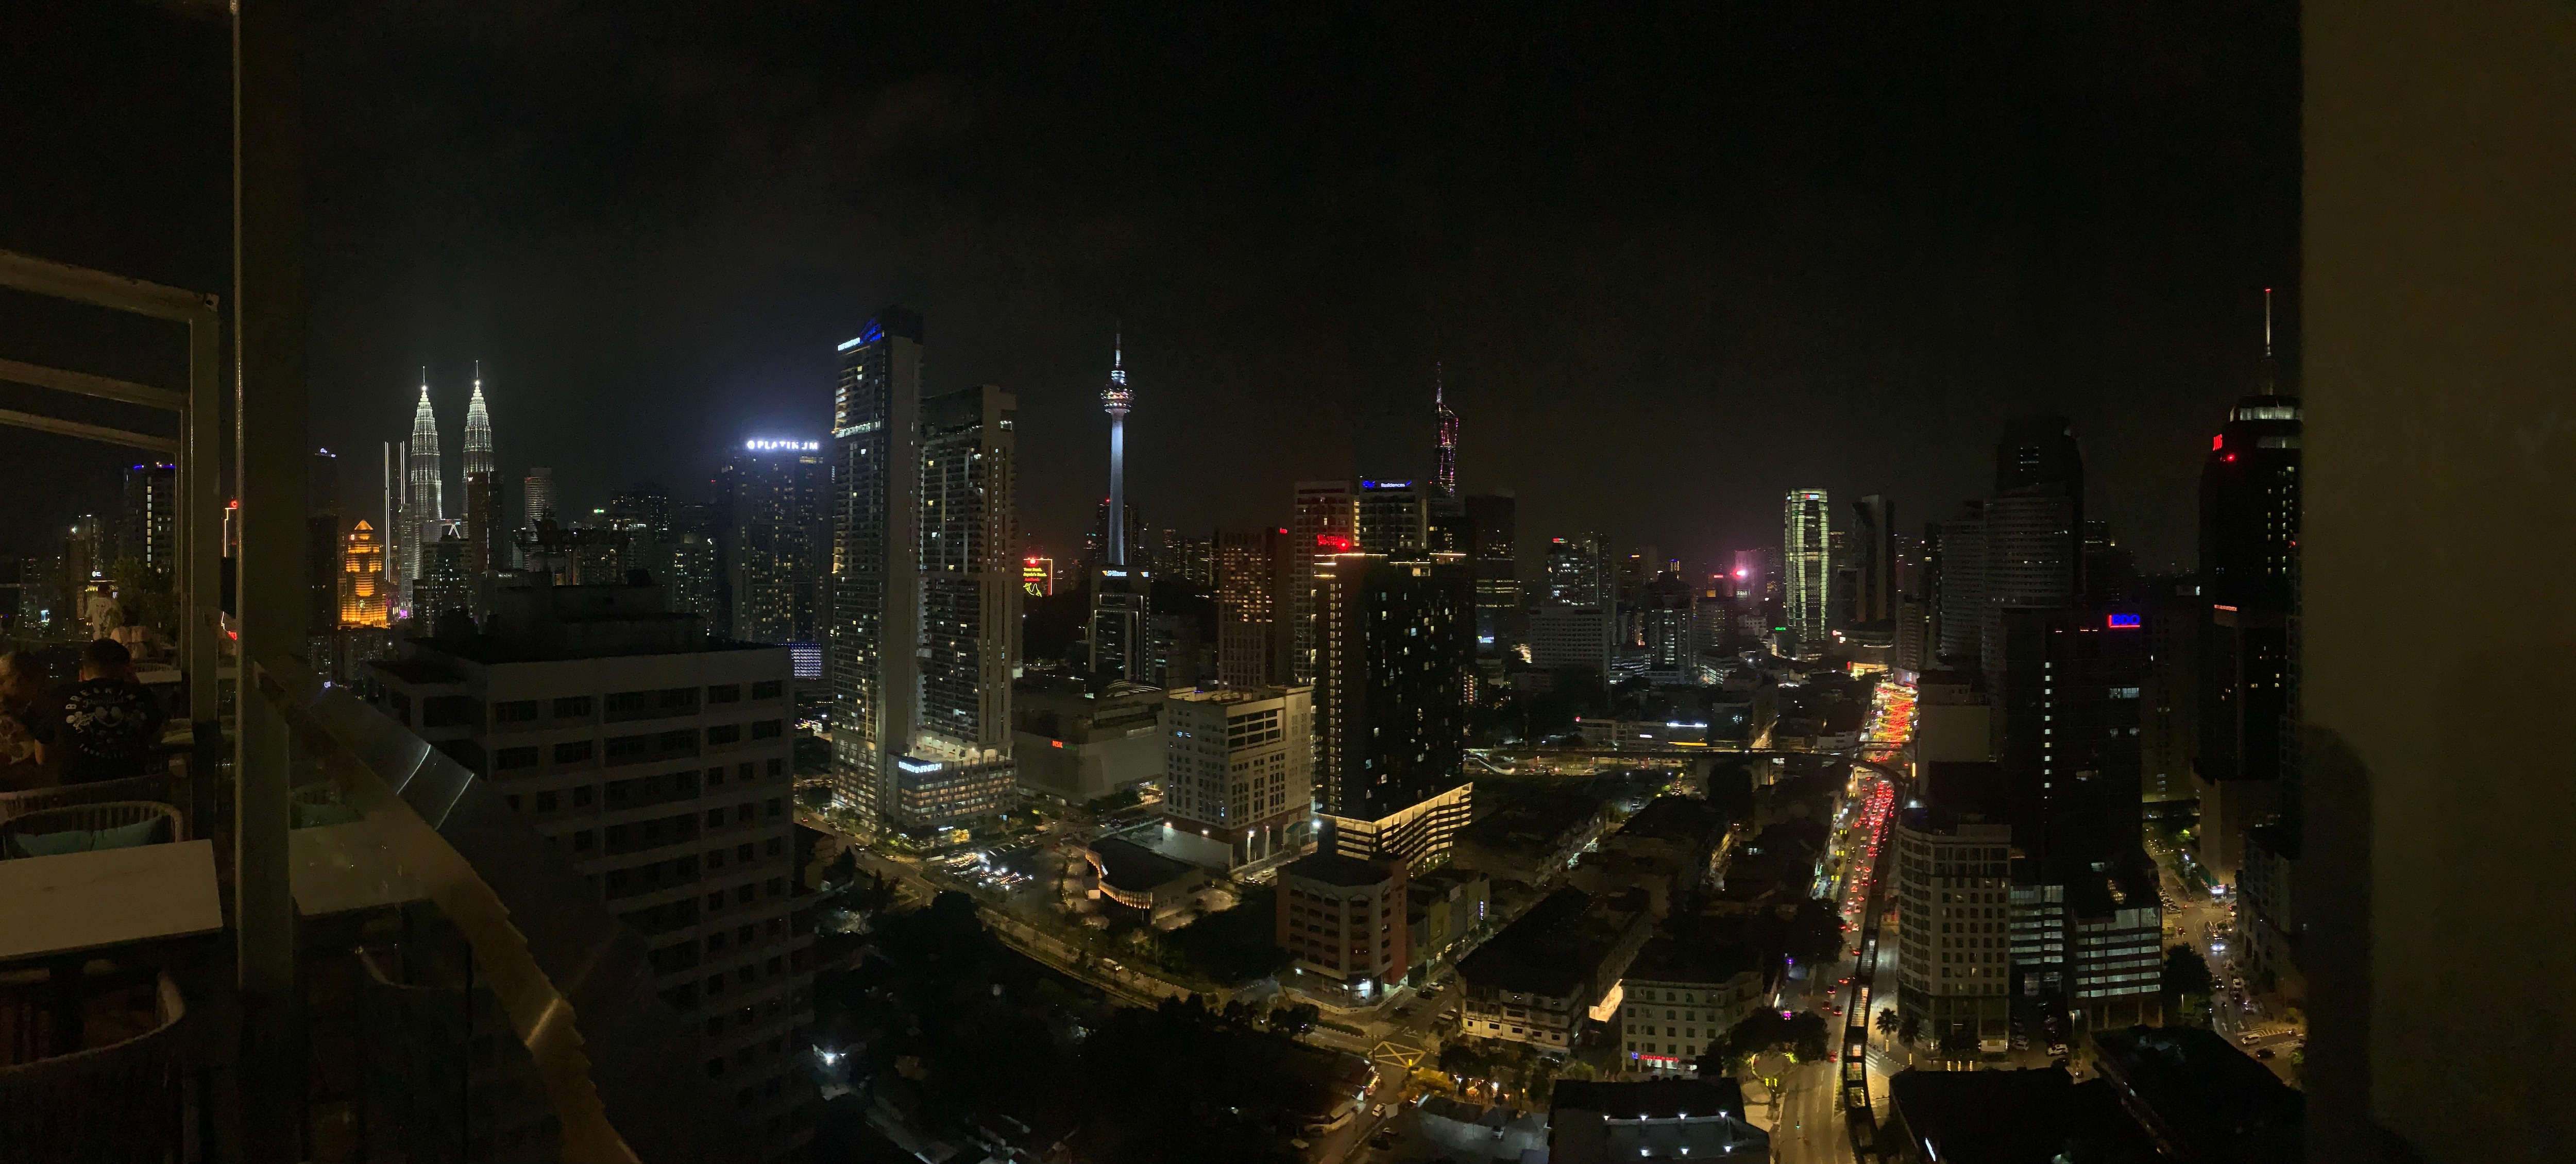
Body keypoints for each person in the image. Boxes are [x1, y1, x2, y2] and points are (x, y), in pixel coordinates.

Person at [58, 638, 166, 785]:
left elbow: (42, 757)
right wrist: (135, 685)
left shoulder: (60, 697)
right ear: (125, 670)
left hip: (76, 801)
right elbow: (158, 738)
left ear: (82, 675)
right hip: (136, 796)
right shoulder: (142, 695)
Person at [0, 650, 58, 790]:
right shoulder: (6, 721)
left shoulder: (18, 713)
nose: (42, 691)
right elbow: (40, 757)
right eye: (39, 686)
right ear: (17, 680)